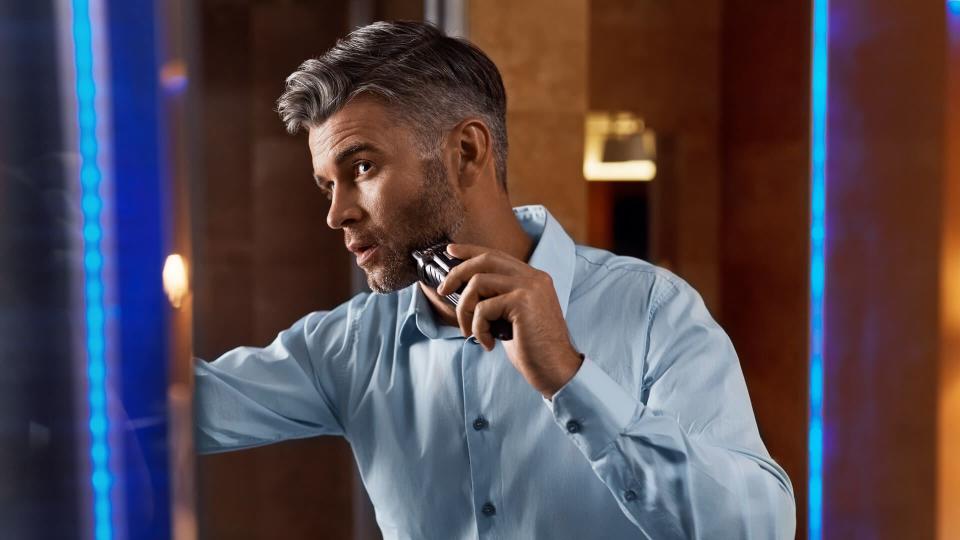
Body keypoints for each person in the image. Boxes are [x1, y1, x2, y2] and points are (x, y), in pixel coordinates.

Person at [194, 20, 796, 539]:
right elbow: (167, 413)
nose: (337, 213)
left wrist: (570, 376)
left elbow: (758, 529)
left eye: (362, 167)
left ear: (466, 151)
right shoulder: (348, 347)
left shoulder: (650, 310)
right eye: (330, 185)